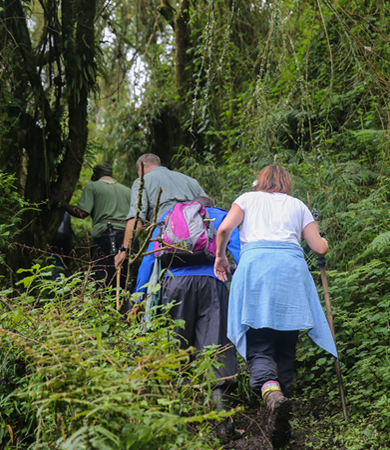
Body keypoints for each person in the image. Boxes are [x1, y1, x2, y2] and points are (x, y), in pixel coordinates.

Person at [213, 165, 337, 449]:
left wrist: (220, 257)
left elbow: (223, 229)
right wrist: (324, 239)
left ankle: (271, 394)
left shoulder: (246, 199)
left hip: (256, 270)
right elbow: (319, 247)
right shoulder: (298, 205)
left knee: (259, 342)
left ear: (261, 181)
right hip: (290, 274)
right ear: (287, 183)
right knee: (285, 343)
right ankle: (281, 413)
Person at [135, 197, 240, 416]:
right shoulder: (220, 216)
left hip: (175, 285)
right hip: (213, 283)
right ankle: (220, 406)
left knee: (176, 340)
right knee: (216, 343)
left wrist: (138, 295)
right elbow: (240, 250)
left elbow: (150, 259)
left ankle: (176, 406)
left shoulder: (169, 217)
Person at [115, 153, 207, 269]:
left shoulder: (143, 181)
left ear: (140, 167)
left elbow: (136, 218)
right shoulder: (190, 181)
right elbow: (209, 208)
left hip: (165, 241)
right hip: (197, 239)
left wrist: (124, 250)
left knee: (147, 275)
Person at [55, 164, 131, 289]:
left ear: (95, 175)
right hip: (126, 241)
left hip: (106, 239)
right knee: (124, 279)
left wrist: (60, 203)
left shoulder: (93, 187)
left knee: (103, 279)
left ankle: (104, 308)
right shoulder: (126, 190)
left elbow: (82, 213)